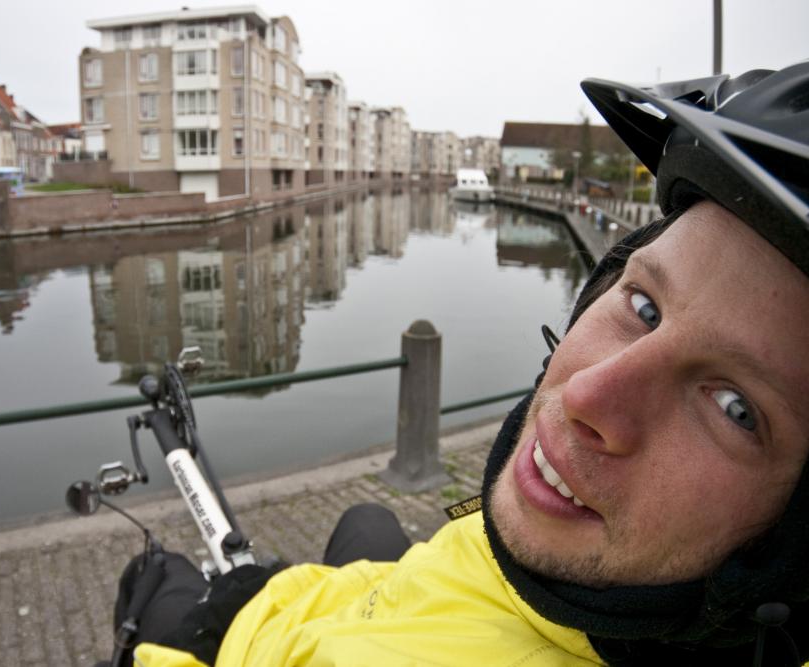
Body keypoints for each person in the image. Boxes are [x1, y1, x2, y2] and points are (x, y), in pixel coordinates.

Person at [121, 61, 809, 666]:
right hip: (402, 596)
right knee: (368, 520)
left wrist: (239, 620)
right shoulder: (571, 556)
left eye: (735, 408)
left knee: (151, 577)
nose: (586, 396)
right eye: (644, 306)